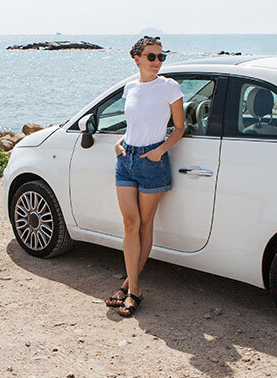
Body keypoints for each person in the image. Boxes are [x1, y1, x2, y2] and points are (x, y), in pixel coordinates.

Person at [104, 36, 185, 317]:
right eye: (151, 57)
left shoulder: (169, 87)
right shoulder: (130, 87)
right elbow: (135, 123)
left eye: (161, 57)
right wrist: (120, 141)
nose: (157, 62)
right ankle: (133, 286)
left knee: (145, 225)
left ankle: (131, 287)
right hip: (126, 158)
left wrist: (158, 152)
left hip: (152, 161)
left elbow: (178, 129)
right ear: (136, 58)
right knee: (130, 224)